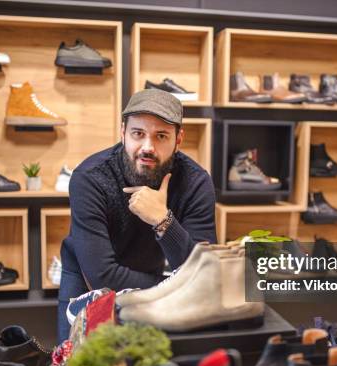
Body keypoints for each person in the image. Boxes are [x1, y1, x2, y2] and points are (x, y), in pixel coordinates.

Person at [57, 89, 217, 341]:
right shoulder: (90, 178)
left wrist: (163, 221)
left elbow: (204, 273)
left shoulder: (196, 183)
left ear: (179, 139)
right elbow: (103, 275)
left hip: (149, 276)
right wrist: (176, 286)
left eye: (161, 136)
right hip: (87, 279)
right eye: (138, 133)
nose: (147, 147)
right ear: (123, 132)